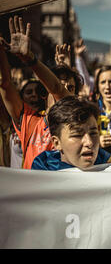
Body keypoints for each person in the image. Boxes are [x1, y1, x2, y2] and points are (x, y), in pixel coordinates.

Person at [0, 16, 77, 169]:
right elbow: (5, 83)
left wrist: (30, 58)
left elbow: (57, 88)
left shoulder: (78, 125)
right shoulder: (30, 122)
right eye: (61, 86)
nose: (63, 93)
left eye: (71, 89)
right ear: (45, 93)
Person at [32, 97, 111, 170]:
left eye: (93, 133)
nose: (89, 143)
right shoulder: (39, 179)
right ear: (57, 143)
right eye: (77, 135)